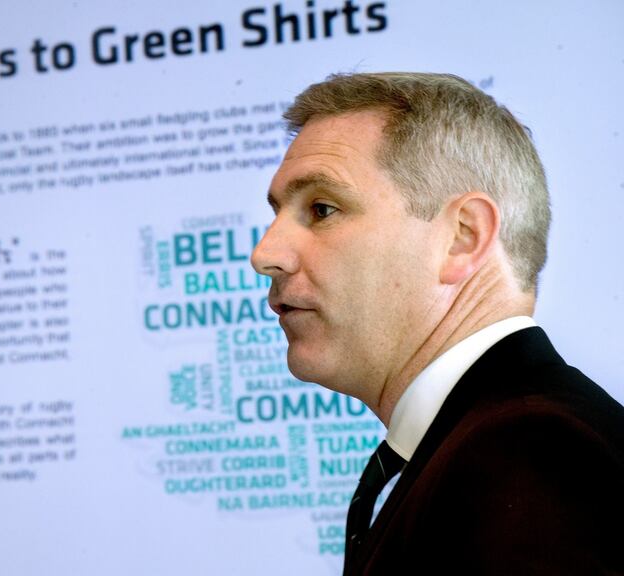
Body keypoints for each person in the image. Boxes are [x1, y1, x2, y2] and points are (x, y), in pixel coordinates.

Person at [251, 72, 624, 575]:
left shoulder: (529, 450)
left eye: (322, 209)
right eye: (276, 215)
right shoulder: (491, 439)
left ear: (462, 238)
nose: (264, 255)